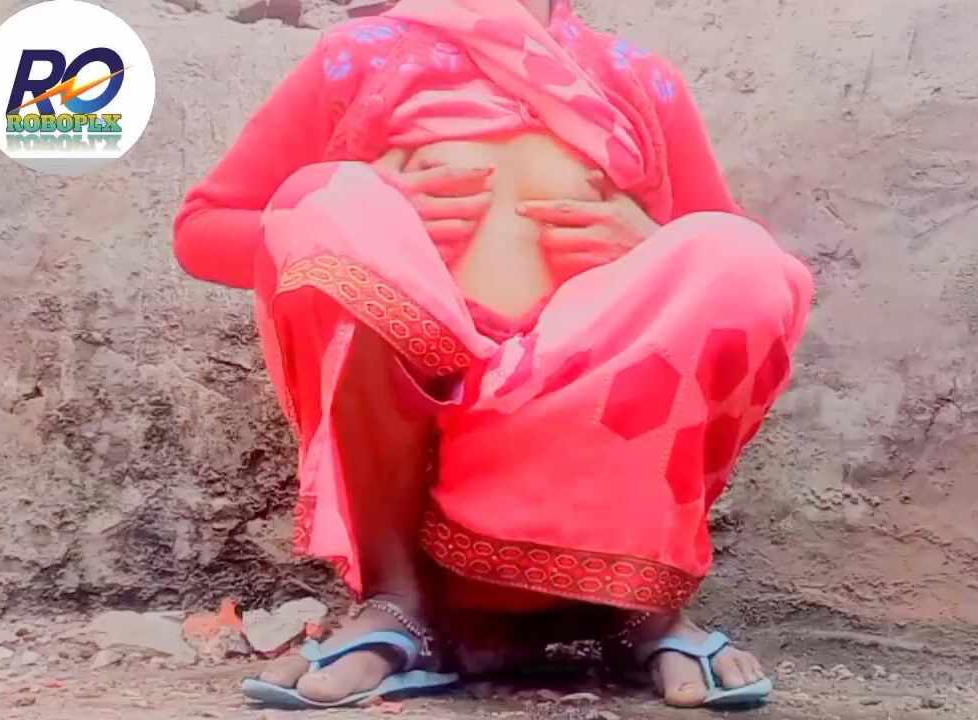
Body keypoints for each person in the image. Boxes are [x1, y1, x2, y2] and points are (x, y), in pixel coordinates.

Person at [173, 0, 814, 710]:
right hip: (411, 429)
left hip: (582, 427)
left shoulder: (635, 77)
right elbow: (203, 230)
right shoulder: (360, 56)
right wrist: (374, 215)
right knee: (326, 199)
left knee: (738, 258)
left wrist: (647, 239)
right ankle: (397, 602)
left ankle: (641, 606)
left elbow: (729, 270)